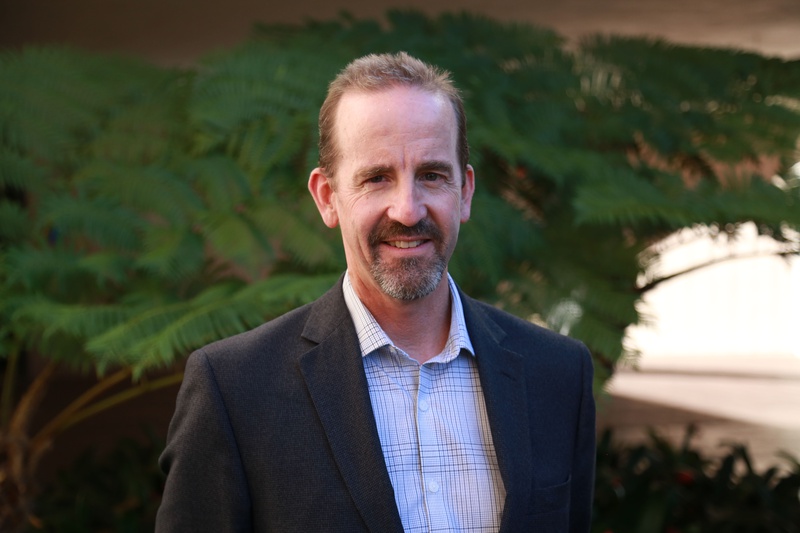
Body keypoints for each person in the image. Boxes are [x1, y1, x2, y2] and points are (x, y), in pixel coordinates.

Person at [156, 52, 595, 533]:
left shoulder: (557, 375)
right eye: (376, 178)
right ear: (327, 197)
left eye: (431, 175)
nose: (408, 210)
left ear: (465, 192)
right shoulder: (235, 389)